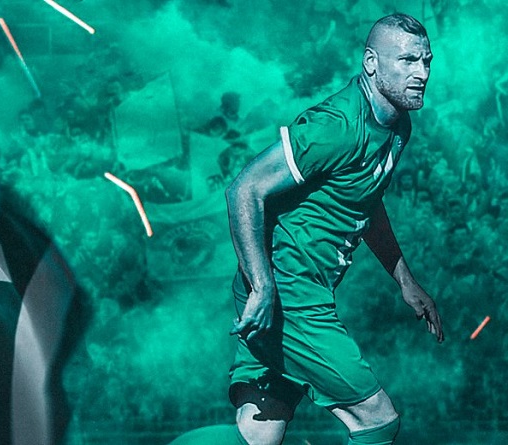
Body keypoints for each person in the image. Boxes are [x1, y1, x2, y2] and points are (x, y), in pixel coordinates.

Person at [170, 13, 444, 445]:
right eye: (408, 60)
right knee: (377, 420)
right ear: (371, 63)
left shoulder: (397, 126)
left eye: (426, 61)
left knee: (259, 437)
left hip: (302, 291)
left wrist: (406, 282)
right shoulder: (336, 126)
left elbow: (365, 199)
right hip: (287, 295)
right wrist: (263, 287)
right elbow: (244, 189)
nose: (422, 73)